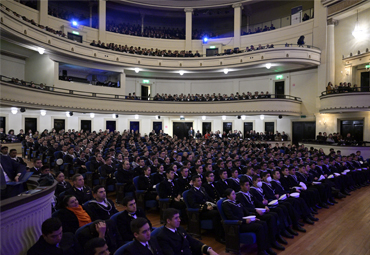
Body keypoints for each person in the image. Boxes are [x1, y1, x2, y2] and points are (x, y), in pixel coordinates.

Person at [222, 189, 277, 255]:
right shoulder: (226, 204)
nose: (235, 195)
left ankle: (267, 247)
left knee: (263, 223)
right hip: (239, 224)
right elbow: (231, 217)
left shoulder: (236, 201)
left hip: (245, 220)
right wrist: (244, 221)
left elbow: (245, 211)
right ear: (228, 196)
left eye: (234, 193)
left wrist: (253, 217)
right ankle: (261, 251)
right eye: (233, 194)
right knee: (259, 227)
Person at [187, 175, 224, 243]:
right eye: (198, 181)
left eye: (200, 180)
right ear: (193, 182)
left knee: (220, 210)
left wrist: (214, 203)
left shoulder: (202, 189)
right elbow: (193, 204)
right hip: (201, 212)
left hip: (208, 206)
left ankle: (222, 233)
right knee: (216, 213)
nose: (200, 182)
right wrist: (205, 207)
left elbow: (208, 198)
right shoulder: (191, 192)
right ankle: (219, 236)